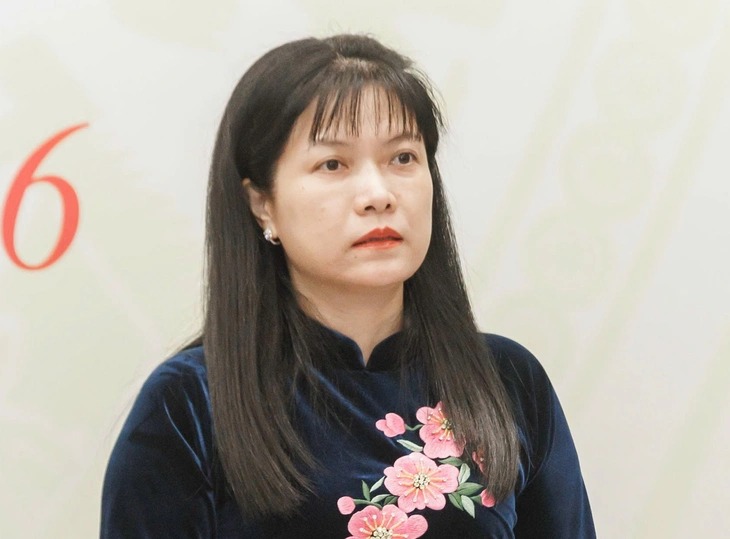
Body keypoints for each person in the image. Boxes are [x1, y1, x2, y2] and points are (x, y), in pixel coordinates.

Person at [101, 34, 595, 538]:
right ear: (262, 203)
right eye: (332, 164)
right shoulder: (190, 401)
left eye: (403, 158)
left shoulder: (507, 380)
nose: (378, 194)